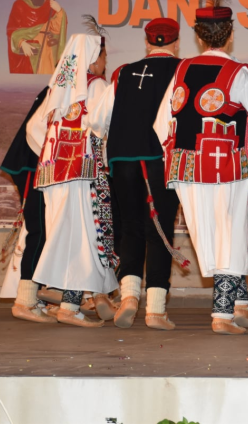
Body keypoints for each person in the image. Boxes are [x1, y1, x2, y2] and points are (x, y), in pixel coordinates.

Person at [156, 0, 248, 335]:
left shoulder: (181, 69)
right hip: (227, 167)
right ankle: (222, 314)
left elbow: (162, 123)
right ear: (231, 33)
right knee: (231, 233)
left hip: (186, 167)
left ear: (198, 36)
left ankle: (239, 303)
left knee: (209, 233)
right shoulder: (237, 73)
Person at [94, 17, 186, 330]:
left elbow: (98, 121)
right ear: (176, 43)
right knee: (159, 230)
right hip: (160, 159)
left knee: (130, 227)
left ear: (147, 43)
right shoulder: (183, 70)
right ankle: (156, 310)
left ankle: (130, 297)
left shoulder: (122, 73)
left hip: (122, 160)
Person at [26, 23, 119, 327]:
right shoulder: (98, 86)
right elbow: (107, 127)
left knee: (64, 239)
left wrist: (51, 155)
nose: (105, 62)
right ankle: (69, 306)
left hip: (53, 176)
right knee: (84, 239)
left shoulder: (57, 91)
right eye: (103, 56)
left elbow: (34, 129)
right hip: (83, 174)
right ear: (93, 58)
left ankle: (80, 300)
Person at [0, 86, 52, 323]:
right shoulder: (60, 88)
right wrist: (50, 158)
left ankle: (40, 297)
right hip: (32, 168)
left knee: (46, 233)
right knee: (39, 232)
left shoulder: (59, 87)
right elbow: (35, 128)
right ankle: (26, 301)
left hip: (36, 168)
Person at [7, 0, 67, 74]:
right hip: (29, 51)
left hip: (47, 51)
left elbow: (56, 30)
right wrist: (21, 42)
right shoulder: (19, 5)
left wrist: (60, 11)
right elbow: (11, 29)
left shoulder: (50, 5)